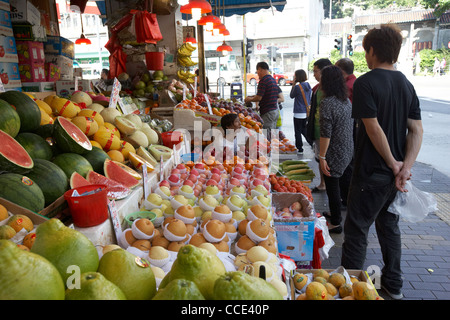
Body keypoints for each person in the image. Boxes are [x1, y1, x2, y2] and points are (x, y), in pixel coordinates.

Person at [341, 24, 423, 300]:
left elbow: (373, 128)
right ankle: (394, 285)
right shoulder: (406, 84)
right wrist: (404, 167)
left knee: (357, 229)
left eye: (366, 51)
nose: (366, 56)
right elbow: (416, 130)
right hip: (393, 177)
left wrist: (393, 163)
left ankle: (349, 288)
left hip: (372, 173)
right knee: (389, 228)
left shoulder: (366, 82)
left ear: (372, 50)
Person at [318, 65, 353, 234]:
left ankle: (336, 223)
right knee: (342, 182)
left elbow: (326, 134)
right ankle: (335, 212)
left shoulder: (327, 103)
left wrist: (322, 156)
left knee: (333, 186)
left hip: (335, 150)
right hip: (347, 148)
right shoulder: (345, 100)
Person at [306, 58, 332, 192]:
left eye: (316, 71)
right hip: (317, 130)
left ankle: (325, 184)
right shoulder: (319, 87)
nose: (314, 74)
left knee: (323, 158)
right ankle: (323, 183)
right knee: (319, 158)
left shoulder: (327, 89)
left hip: (322, 131)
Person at [335, 58, 356, 207]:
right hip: (352, 130)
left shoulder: (347, 86)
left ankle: (347, 199)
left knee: (346, 167)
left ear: (341, 71)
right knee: (349, 164)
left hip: (348, 130)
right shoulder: (356, 82)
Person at [244, 62, 280, 132]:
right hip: (275, 111)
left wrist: (249, 99)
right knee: (273, 135)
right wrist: (251, 97)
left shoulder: (263, 81)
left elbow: (259, 98)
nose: (257, 74)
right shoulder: (272, 80)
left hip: (268, 113)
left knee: (267, 135)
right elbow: (264, 95)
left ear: (260, 69)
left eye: (257, 71)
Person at [290, 69, 311, 154]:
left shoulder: (297, 87)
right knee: (304, 129)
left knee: (298, 131)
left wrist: (293, 84)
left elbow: (291, 96)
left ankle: (300, 148)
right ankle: (311, 142)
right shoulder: (308, 85)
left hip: (298, 112)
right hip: (306, 111)